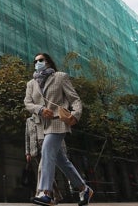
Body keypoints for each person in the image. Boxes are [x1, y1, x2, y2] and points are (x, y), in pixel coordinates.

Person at [24, 52, 93, 206]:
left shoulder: (60, 77)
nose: (37, 63)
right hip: (42, 125)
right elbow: (27, 103)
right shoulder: (31, 84)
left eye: (40, 60)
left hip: (58, 122)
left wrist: (75, 115)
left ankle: (45, 193)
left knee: (47, 151)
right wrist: (40, 109)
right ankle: (84, 189)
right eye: (35, 61)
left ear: (48, 61)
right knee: (62, 161)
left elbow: (74, 99)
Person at [25, 115, 63, 202]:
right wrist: (27, 152)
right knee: (46, 171)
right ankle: (57, 195)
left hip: (46, 148)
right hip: (35, 150)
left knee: (41, 169)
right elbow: (27, 137)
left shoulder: (45, 117)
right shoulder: (28, 121)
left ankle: (40, 194)